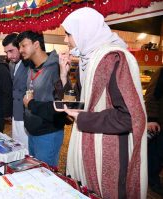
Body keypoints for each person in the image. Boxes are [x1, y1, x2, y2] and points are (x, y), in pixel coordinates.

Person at [54, 8, 147, 199]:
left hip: (109, 154)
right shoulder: (87, 60)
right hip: (86, 145)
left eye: (68, 34)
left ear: (84, 31)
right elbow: (79, 104)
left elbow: (129, 116)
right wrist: (64, 76)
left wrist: (85, 119)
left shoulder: (114, 58)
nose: (66, 40)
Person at [17, 31, 66, 168]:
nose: (20, 50)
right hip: (33, 132)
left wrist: (31, 104)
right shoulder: (31, 68)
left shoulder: (56, 69)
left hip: (48, 134)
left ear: (36, 44)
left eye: (23, 46)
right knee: (35, 173)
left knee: (46, 176)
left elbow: (60, 106)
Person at [2, 33, 29, 149]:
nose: (9, 56)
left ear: (20, 47)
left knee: (27, 149)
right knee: (17, 146)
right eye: (6, 52)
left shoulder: (30, 65)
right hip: (16, 114)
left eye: (11, 51)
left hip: (26, 115)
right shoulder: (12, 65)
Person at [145, 68, 163, 196]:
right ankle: (152, 180)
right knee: (157, 154)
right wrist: (151, 119)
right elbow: (151, 95)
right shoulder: (161, 72)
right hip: (160, 122)